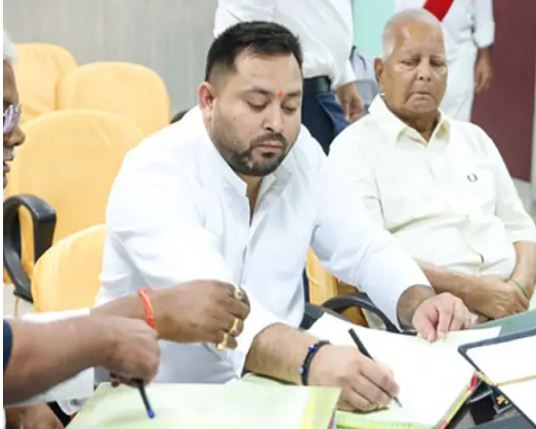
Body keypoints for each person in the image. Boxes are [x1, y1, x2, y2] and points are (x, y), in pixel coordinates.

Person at [98, 21, 472, 412]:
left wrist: (418, 301)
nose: (276, 124)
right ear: (208, 100)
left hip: (278, 394)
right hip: (160, 402)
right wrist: (312, 359)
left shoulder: (298, 153)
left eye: (291, 106)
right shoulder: (154, 173)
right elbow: (217, 311)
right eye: (257, 104)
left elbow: (363, 245)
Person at [2, 31, 249, 428]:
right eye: (4, 113)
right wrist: (131, 322)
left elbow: (8, 350)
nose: (17, 134)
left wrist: (23, 394)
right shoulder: (154, 173)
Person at [328, 10, 536, 322]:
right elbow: (368, 256)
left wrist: (518, 289)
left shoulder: (474, 139)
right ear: (380, 71)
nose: (425, 74)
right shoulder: (353, 149)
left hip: (515, 305)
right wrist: (478, 293)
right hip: (432, 320)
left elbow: (520, 227)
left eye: (436, 63)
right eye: (410, 62)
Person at [214, 0, 364, 154]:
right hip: (285, 97)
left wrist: (343, 75)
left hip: (317, 94)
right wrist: (255, 99)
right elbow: (244, 24)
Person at [393, 0, 494, 121]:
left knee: (456, 124)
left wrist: (484, 58)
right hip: (414, 57)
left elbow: (483, 12)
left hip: (458, 58)